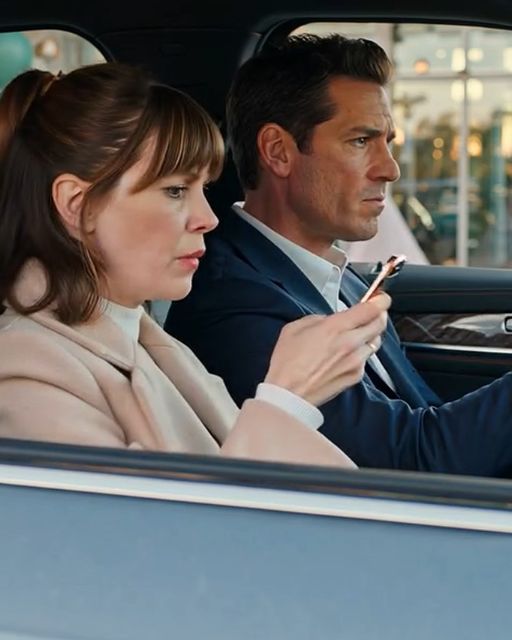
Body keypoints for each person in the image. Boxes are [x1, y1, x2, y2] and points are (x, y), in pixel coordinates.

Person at [0, 62, 390, 469]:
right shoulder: (25, 373)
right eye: (175, 190)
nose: (208, 217)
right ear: (77, 205)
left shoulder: (154, 345)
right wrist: (287, 399)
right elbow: (144, 514)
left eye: (202, 188)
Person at [165, 34, 512, 477]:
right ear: (278, 152)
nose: (390, 168)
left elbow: (421, 416)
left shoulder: (333, 276)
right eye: (361, 141)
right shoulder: (232, 304)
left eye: (387, 141)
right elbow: (410, 464)